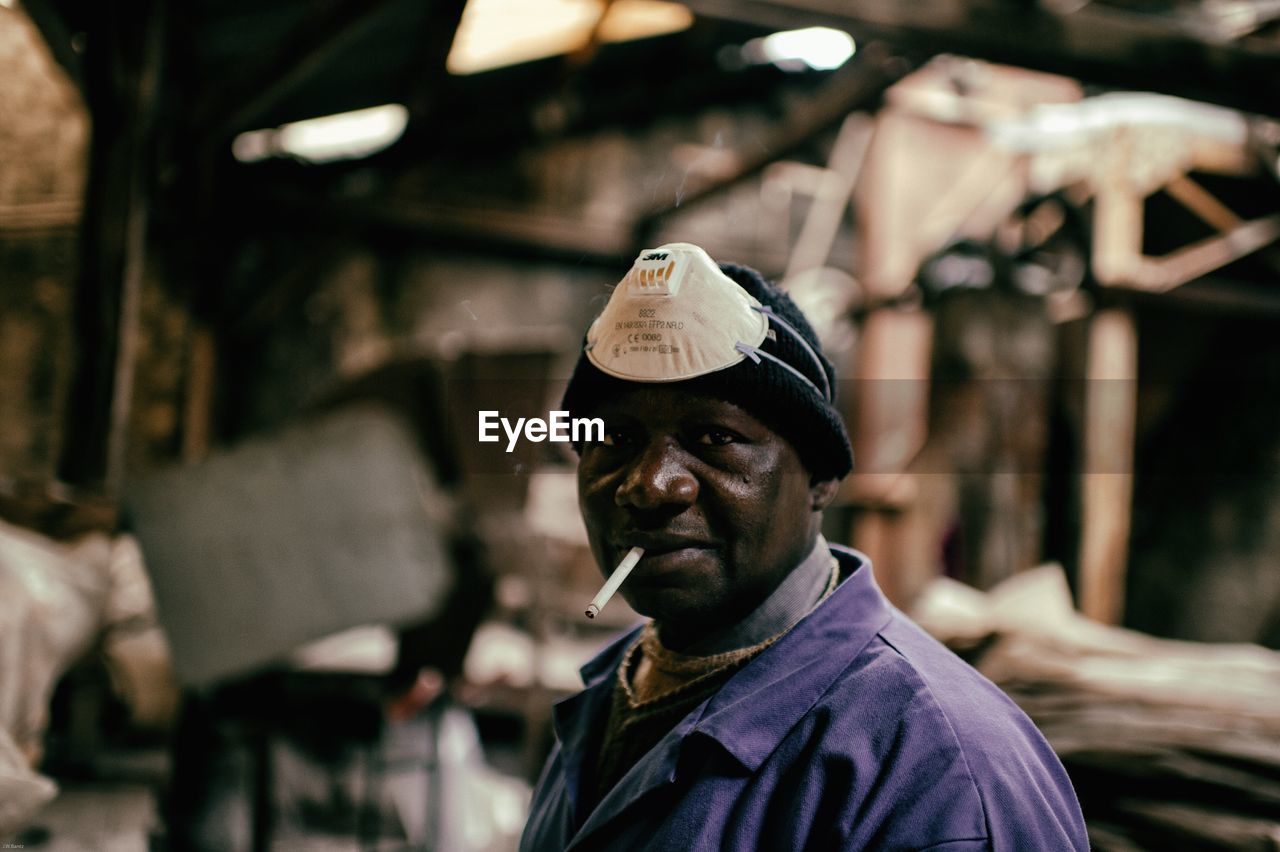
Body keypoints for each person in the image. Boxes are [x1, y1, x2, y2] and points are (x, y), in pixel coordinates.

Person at [520, 243, 1088, 851]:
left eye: (715, 437)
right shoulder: (610, 694)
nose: (651, 485)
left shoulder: (938, 775)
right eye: (614, 437)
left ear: (819, 478)